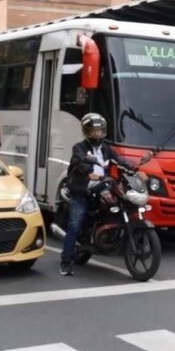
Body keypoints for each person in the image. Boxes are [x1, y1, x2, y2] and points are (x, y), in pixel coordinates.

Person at [60, 113, 126, 276]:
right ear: (87, 131)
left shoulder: (106, 148)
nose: (98, 134)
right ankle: (65, 262)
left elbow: (119, 159)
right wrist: (89, 171)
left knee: (118, 206)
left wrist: (135, 168)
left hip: (101, 186)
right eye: (94, 131)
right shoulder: (79, 147)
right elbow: (78, 161)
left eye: (100, 130)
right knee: (75, 225)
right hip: (82, 189)